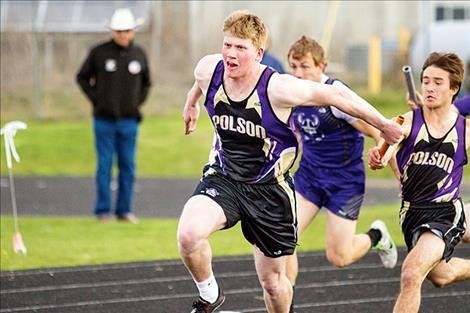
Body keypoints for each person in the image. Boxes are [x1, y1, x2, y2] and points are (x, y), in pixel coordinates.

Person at [177, 11, 403, 313]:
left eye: (240, 48)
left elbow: (336, 94)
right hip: (225, 177)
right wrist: (191, 103)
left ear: (259, 54)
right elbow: (200, 81)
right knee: (189, 234)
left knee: (273, 283)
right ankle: (210, 296)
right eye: (227, 45)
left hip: (270, 190)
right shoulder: (209, 68)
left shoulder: (279, 88)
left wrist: (384, 125)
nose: (230, 54)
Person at [284, 35, 399, 311]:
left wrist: (396, 175)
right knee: (283, 236)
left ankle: (376, 235)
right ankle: (283, 302)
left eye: (304, 66)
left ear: (321, 65)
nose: (298, 74)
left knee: (339, 257)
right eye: (293, 66)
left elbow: (379, 132)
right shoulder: (292, 92)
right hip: (309, 178)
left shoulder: (337, 97)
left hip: (344, 183)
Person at [368, 52, 470, 313]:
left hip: (446, 213)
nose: (429, 87)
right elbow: (386, 150)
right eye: (425, 80)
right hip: (412, 213)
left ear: (454, 88)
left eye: (438, 82)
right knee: (441, 276)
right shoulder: (406, 122)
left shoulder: (464, 130)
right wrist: (379, 157)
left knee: (411, 273)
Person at [76, 8, 151, 223]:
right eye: (118, 31)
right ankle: (102, 211)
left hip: (129, 121)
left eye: (126, 30)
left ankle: (125, 210)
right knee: (104, 166)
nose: (122, 34)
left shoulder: (140, 54)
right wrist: (97, 100)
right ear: (112, 31)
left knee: (128, 166)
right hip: (104, 121)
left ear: (132, 31)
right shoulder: (98, 53)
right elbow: (81, 77)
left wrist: (136, 103)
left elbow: (147, 83)